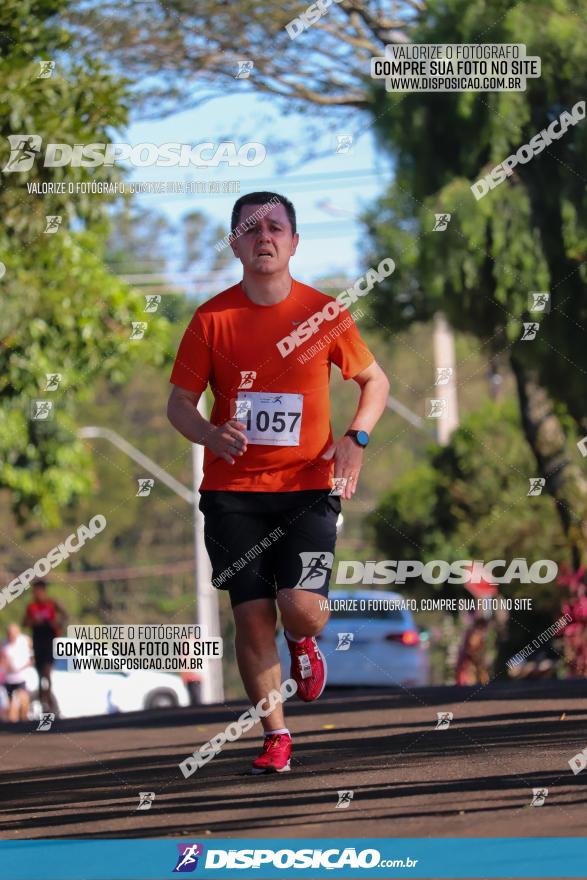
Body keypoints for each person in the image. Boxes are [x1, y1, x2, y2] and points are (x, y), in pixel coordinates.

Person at [168, 191, 390, 773]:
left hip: (309, 487)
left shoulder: (325, 314)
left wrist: (356, 438)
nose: (263, 236)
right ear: (235, 243)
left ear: (293, 242)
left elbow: (375, 382)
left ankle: (304, 641)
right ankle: (276, 735)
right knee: (250, 615)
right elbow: (180, 406)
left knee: (299, 607)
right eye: (250, 229)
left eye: (275, 227)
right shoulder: (210, 319)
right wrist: (210, 436)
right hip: (233, 492)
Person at [22, 579, 66, 714]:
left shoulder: (52, 604)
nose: (38, 594)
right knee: (40, 675)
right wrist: (33, 621)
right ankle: (44, 702)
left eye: (40, 591)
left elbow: (65, 615)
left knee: (47, 674)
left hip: (49, 643)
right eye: (36, 591)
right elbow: (24, 623)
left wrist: (56, 624)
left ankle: (47, 703)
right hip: (38, 644)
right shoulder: (31, 607)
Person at [0, 624, 32, 722]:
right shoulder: (4, 644)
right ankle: (14, 726)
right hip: (9, 678)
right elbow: (2, 660)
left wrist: (23, 667)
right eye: (9, 634)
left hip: (21, 677)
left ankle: (24, 719)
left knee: (22, 700)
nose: (11, 636)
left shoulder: (24, 641)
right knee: (11, 704)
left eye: (13, 634)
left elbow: (31, 658)